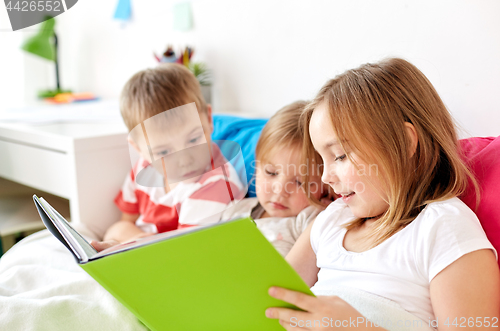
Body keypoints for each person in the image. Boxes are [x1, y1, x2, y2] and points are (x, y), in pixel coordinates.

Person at [265, 58, 500, 329]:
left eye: (340, 156)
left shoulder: (443, 229)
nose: (326, 177)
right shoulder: (330, 222)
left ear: (404, 142)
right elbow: (271, 302)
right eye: (323, 160)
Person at [103, 63, 245, 244]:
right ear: (138, 149)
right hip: (149, 248)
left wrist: (128, 240)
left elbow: (186, 251)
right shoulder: (143, 167)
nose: (185, 160)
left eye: (193, 140)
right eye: (163, 152)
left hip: (181, 254)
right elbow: (126, 221)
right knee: (116, 229)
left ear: (209, 119)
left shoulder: (215, 183)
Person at [220, 101, 333, 256]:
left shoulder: (310, 220)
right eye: (271, 172)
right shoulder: (234, 210)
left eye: (300, 182)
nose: (280, 190)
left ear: (326, 185)